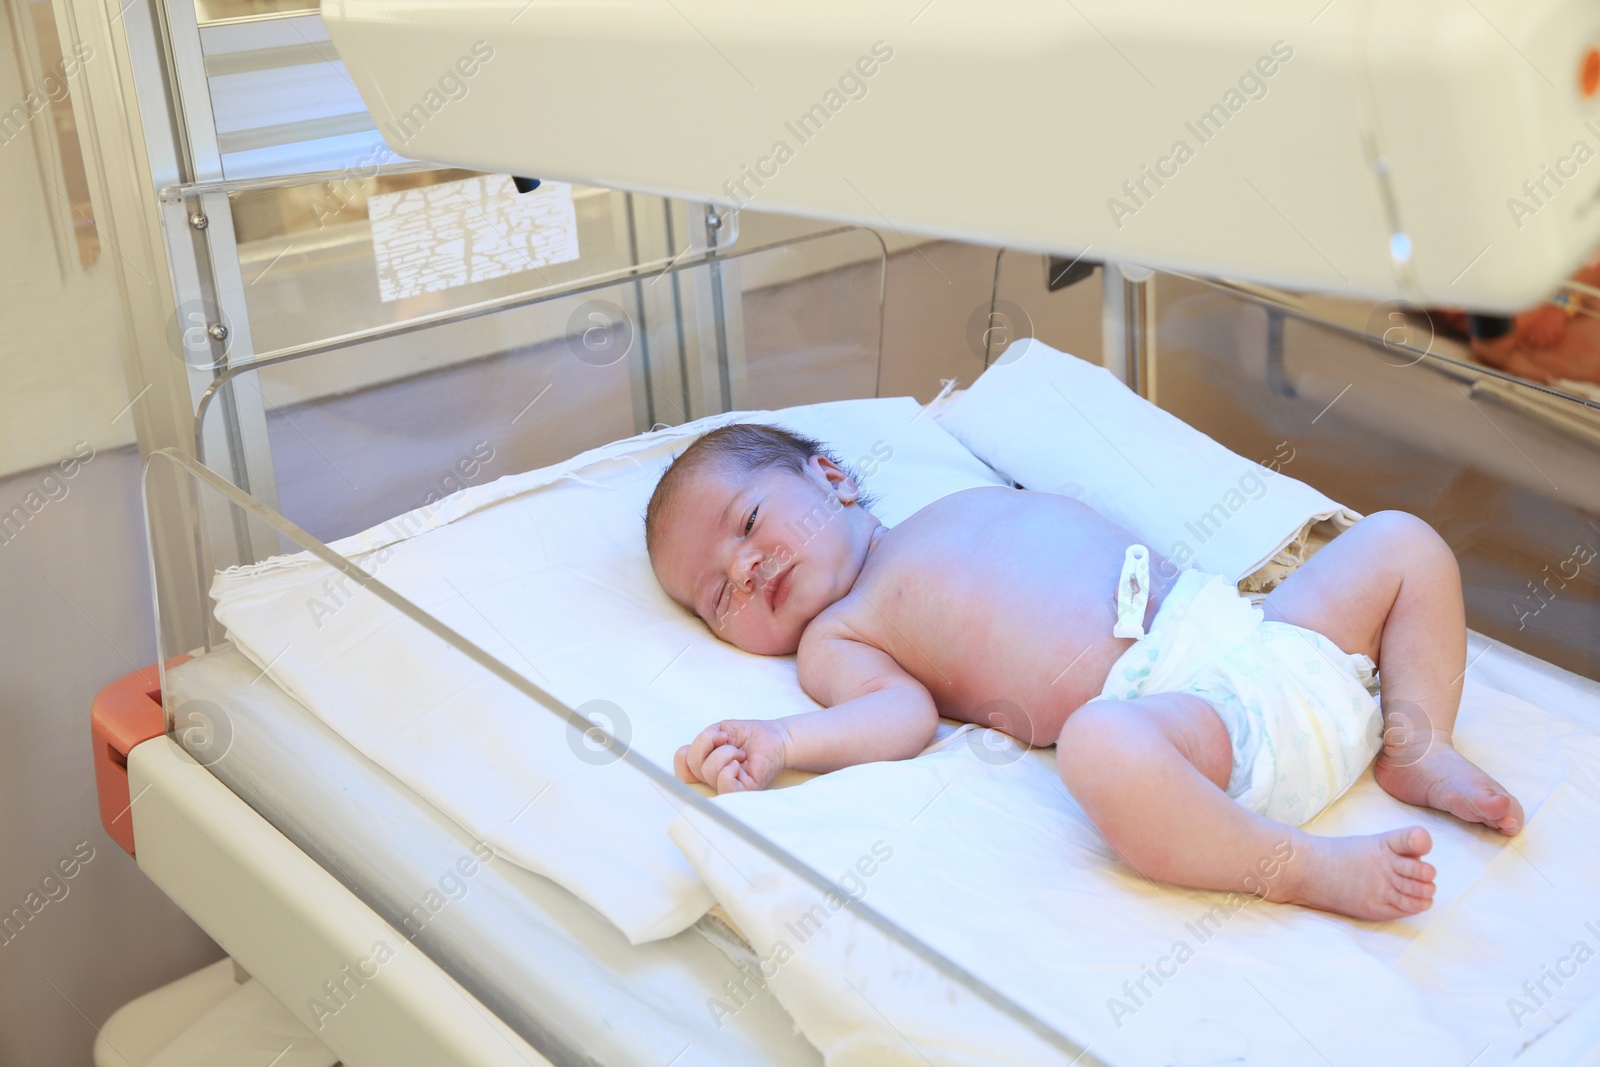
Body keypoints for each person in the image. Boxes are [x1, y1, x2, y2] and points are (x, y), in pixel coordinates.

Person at [644, 424, 1524, 921]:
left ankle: (1417, 740)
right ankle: (1296, 867)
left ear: (832, 476)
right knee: (1095, 747)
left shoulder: (946, 506)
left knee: (1402, 539)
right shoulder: (836, 634)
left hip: (1263, 636)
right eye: (717, 595)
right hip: (1190, 724)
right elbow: (899, 716)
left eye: (748, 521)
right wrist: (782, 738)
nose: (746, 569)